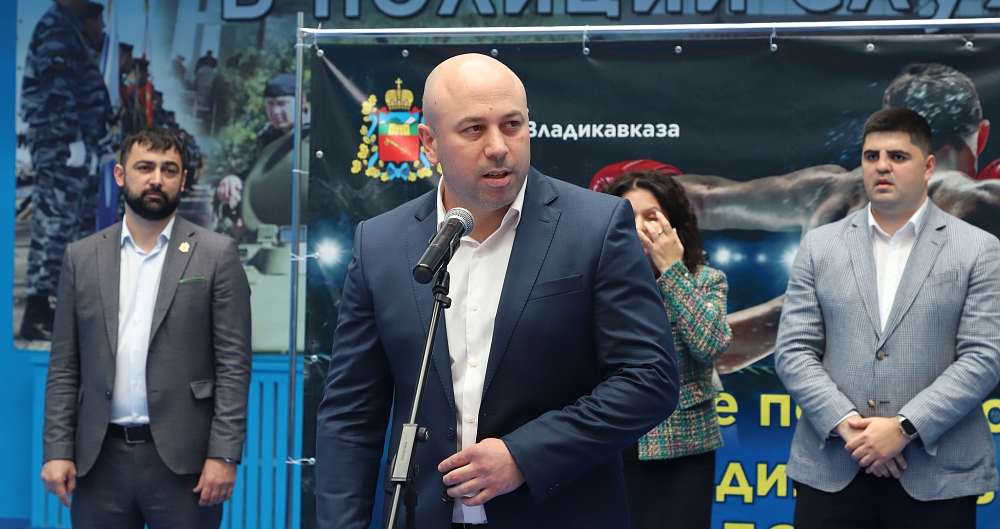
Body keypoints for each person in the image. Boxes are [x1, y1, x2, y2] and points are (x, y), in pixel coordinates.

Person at [315, 53, 678, 528]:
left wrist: (524, 455)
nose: (499, 147)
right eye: (473, 129)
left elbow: (649, 378)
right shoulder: (381, 243)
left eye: (512, 125)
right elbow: (350, 416)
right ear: (429, 143)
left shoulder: (596, 226)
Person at [670, 62, 1000, 372]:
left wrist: (637, 187)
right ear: (981, 134)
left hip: (832, 382)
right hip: (916, 393)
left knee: (794, 314)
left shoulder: (829, 190)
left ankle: (660, 353)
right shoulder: (969, 197)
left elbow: (706, 198)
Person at [774, 107, 1000, 528]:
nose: (882, 166)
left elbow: (984, 358)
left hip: (936, 475)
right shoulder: (819, 246)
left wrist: (904, 428)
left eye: (897, 156)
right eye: (871, 156)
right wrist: (848, 426)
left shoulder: (979, 249)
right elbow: (793, 351)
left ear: (928, 166)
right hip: (834, 467)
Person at [40, 126, 253, 528]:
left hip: (185, 465)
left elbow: (233, 367)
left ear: (183, 180)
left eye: (169, 170)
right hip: (98, 461)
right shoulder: (81, 257)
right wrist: (57, 449)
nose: (157, 179)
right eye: (145, 167)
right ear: (121, 175)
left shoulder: (216, 255)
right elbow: (64, 366)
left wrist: (224, 454)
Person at [603, 170, 732, 529]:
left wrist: (672, 269)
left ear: (673, 225)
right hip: (607, 444)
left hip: (682, 450)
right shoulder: (597, 281)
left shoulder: (705, 280)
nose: (640, 227)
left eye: (652, 216)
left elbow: (710, 345)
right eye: (628, 216)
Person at [18, 0, 113, 341]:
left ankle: (60, 307)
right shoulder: (55, 27)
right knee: (55, 224)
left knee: (73, 225)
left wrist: (95, 142)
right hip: (60, 144)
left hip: (75, 144)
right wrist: (72, 138)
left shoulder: (69, 26)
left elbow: (81, 89)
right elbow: (56, 88)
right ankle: (38, 311)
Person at [214, 73, 303, 240]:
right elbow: (254, 171)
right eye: (270, 104)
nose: (275, 111)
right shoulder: (267, 135)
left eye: (282, 103)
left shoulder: (313, 133)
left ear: (302, 101)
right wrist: (232, 177)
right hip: (268, 206)